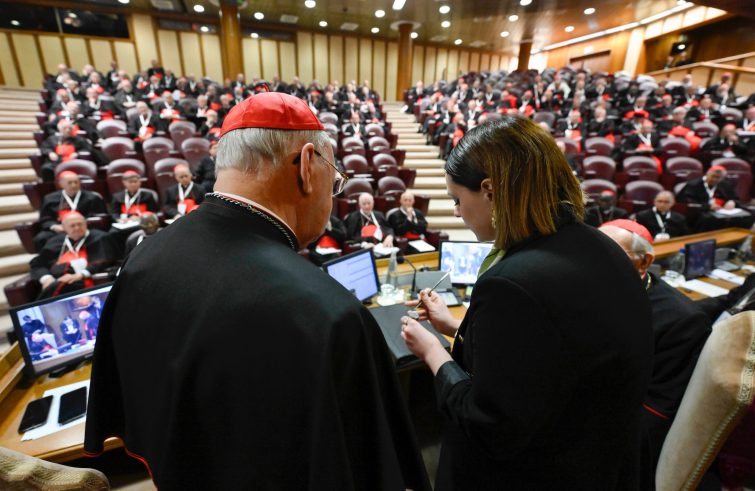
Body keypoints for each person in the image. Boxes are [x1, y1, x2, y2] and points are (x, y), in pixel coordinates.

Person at [84, 92, 431, 490]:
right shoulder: (330, 316)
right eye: (334, 181)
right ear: (306, 166)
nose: (331, 196)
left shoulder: (143, 259)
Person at [399, 115, 653, 489]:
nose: (456, 211)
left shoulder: (512, 283)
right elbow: (547, 353)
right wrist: (455, 326)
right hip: (604, 461)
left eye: (457, 199)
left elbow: (488, 424)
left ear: (489, 190)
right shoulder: (603, 246)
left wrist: (433, 352)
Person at [599, 220, 711, 486]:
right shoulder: (582, 289)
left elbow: (656, 408)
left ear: (644, 262)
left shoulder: (682, 320)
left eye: (607, 254)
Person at [30, 212, 122, 299]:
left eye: (80, 224)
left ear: (86, 224)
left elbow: (104, 261)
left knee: (60, 286)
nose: (77, 228)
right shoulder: (55, 241)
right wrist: (46, 278)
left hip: (85, 279)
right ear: (64, 228)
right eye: (72, 226)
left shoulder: (100, 237)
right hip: (57, 280)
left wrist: (80, 275)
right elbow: (38, 264)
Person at [34, 171, 107, 251]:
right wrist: (55, 226)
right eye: (70, 183)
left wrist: (80, 226)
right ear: (61, 184)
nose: (74, 185)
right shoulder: (49, 199)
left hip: (83, 229)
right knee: (41, 238)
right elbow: (45, 219)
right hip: (60, 229)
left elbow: (97, 218)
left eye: (76, 182)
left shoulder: (92, 198)